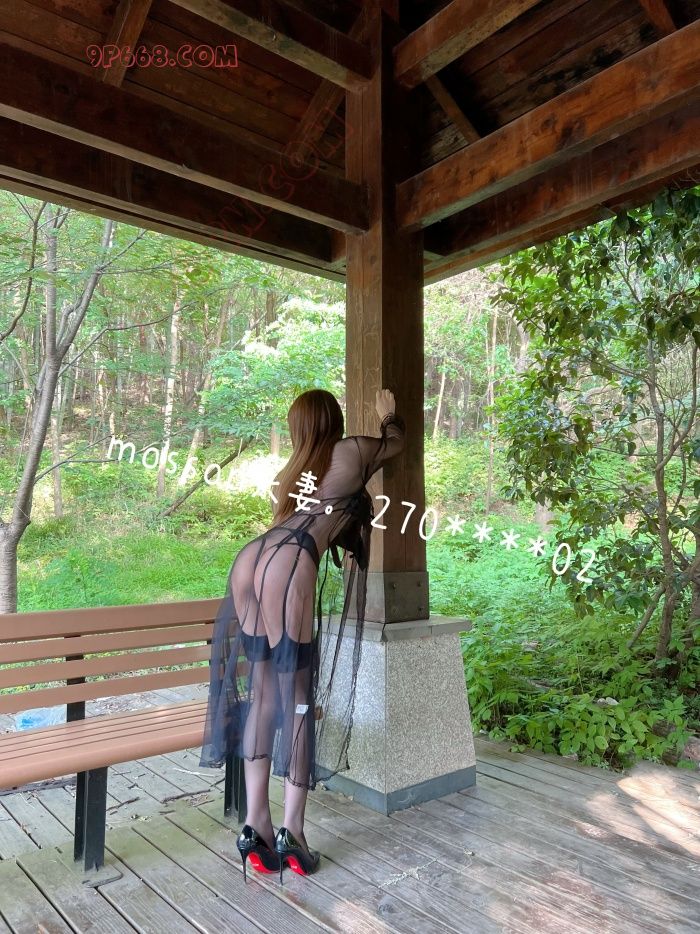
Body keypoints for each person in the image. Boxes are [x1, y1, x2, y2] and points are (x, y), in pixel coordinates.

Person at [199, 387, 405, 883]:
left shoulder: (294, 473)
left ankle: (255, 824)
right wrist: (389, 416)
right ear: (334, 419)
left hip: (252, 557)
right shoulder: (352, 450)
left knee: (263, 694)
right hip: (290, 562)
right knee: (297, 701)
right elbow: (396, 445)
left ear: (297, 429)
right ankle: (292, 830)